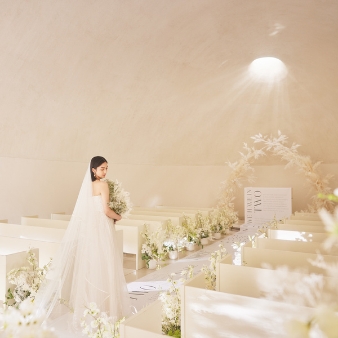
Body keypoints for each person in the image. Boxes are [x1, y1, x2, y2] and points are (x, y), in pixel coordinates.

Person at [36, 156, 131, 334]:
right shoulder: (103, 185)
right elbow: (106, 210)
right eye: (102, 168)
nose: (105, 171)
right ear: (93, 170)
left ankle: (91, 310)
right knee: (105, 263)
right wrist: (119, 216)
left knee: (92, 266)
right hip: (102, 228)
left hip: (91, 231)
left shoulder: (88, 186)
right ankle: (108, 310)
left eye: (107, 168)